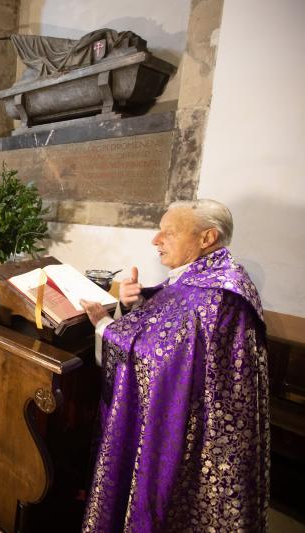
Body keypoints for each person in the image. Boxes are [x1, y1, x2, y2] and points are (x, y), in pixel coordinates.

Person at [79, 200, 269, 532]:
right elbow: (170, 329)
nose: (156, 239)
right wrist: (134, 304)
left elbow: (161, 359)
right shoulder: (197, 278)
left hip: (199, 435)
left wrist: (104, 324)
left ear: (207, 238)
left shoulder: (219, 293)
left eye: (169, 232)